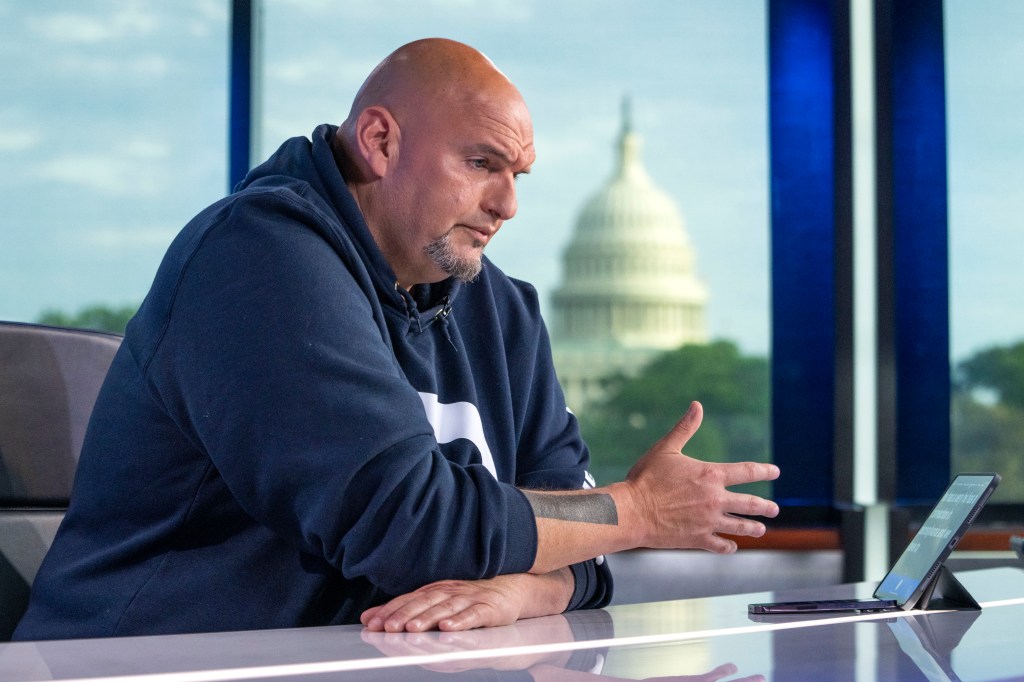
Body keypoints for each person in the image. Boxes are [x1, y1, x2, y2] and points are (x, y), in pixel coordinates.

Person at [14, 38, 779, 641]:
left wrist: (521, 587)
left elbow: (581, 543)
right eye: (482, 163)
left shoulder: (503, 307)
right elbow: (406, 525)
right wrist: (638, 513)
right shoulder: (256, 257)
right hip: (153, 663)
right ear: (379, 141)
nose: (508, 203)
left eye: (519, 174)